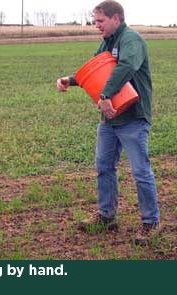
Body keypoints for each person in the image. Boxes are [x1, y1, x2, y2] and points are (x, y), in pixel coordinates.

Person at [56, 0, 160, 245]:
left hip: (133, 117)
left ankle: (150, 223)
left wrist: (104, 96)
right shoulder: (107, 42)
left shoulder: (131, 40)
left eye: (100, 21)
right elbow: (94, 73)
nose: (96, 26)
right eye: (95, 21)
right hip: (110, 119)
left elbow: (126, 67)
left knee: (140, 171)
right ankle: (106, 216)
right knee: (104, 167)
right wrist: (70, 80)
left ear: (117, 18)